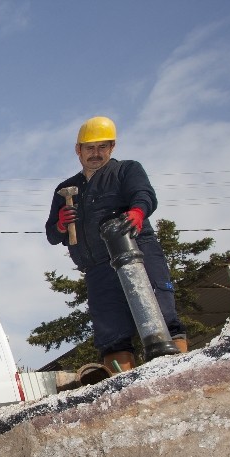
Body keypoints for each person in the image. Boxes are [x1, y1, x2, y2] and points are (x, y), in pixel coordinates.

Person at [45, 116, 187, 372]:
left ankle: (178, 373)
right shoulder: (65, 189)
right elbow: (52, 235)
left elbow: (144, 195)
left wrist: (138, 212)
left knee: (162, 318)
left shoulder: (126, 170)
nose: (96, 154)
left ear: (112, 148)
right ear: (78, 150)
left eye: (102, 147)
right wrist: (61, 225)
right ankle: (125, 387)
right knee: (111, 333)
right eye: (90, 148)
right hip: (98, 267)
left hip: (138, 251)